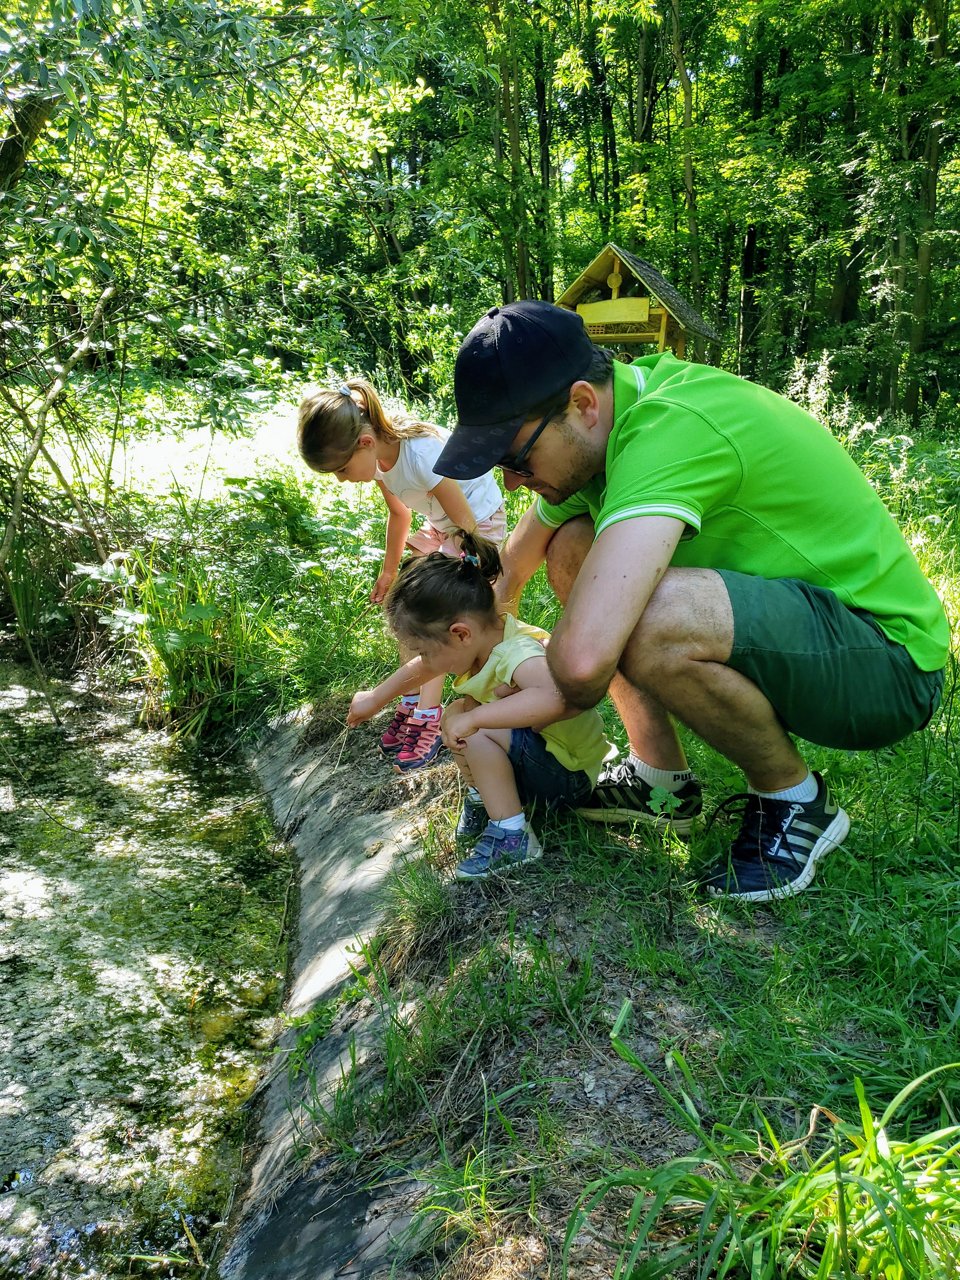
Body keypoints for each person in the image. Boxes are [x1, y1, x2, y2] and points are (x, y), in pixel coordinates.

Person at [431, 300, 949, 901]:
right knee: (573, 545)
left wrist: (521, 696)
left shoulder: (669, 431)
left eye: (516, 458)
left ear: (582, 404)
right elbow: (515, 568)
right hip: (815, 631)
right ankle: (661, 780)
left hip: (887, 664)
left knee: (644, 614)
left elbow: (580, 665)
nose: (512, 482)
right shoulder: (608, 429)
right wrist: (467, 644)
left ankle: (793, 801)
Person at [346, 531, 616, 881]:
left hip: (569, 776)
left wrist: (477, 718)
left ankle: (513, 837)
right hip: (545, 761)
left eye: (425, 649)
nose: (426, 661)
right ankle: (488, 799)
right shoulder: (483, 643)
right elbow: (425, 668)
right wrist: (375, 698)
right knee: (456, 715)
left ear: (460, 633)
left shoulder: (515, 653)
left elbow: (553, 695)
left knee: (472, 726)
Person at [298, 377, 505, 772]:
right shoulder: (379, 461)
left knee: (434, 617)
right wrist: (390, 572)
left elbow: (465, 524)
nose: (342, 479)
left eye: (341, 470)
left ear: (365, 442)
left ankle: (429, 714)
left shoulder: (421, 455)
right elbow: (400, 514)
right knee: (404, 603)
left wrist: (456, 571)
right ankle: (412, 701)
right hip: (443, 525)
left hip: (476, 528)